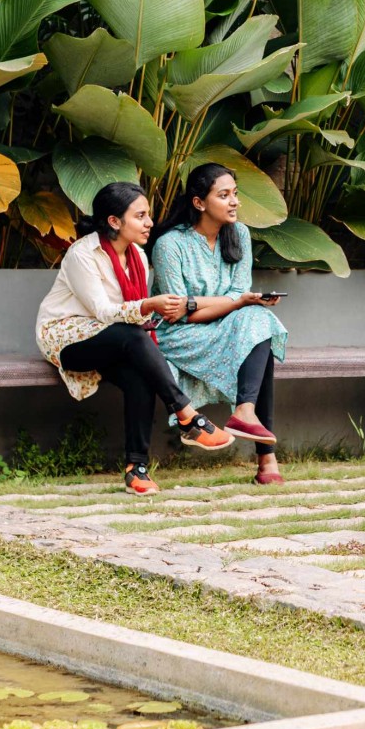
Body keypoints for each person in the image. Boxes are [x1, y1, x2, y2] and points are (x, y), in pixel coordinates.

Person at [35, 181, 236, 496]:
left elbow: (134, 318)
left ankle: (136, 469)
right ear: (114, 222)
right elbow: (102, 311)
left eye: (148, 215)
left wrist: (157, 314)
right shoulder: (83, 254)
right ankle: (186, 414)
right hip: (67, 339)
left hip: (116, 337)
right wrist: (145, 306)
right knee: (130, 336)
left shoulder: (138, 257)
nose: (149, 223)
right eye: (140, 216)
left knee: (137, 374)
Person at [150, 163, 286, 486]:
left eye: (235, 194)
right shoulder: (169, 245)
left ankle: (245, 411)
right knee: (255, 325)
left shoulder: (239, 234)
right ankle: (266, 456)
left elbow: (238, 294)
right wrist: (233, 303)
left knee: (260, 321)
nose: (234, 202)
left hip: (225, 327)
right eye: (224, 195)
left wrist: (222, 303)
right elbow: (177, 313)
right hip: (179, 336)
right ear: (199, 203)